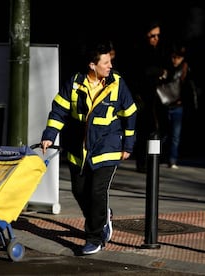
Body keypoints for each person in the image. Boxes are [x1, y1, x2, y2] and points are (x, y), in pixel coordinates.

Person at [40, 41, 137, 255]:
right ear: (92, 65)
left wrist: (128, 144)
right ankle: (103, 215)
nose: (110, 66)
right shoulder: (74, 83)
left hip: (108, 146)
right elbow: (59, 111)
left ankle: (95, 237)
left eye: (110, 61)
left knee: (96, 191)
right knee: (79, 191)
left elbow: (129, 114)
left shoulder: (117, 84)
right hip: (79, 149)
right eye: (105, 62)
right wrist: (49, 135)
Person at [130, 21, 169, 173]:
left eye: (158, 35)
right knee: (145, 130)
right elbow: (143, 72)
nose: (156, 38)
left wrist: (161, 73)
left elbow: (167, 70)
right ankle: (143, 161)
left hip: (158, 98)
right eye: (152, 36)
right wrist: (159, 72)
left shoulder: (160, 50)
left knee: (160, 129)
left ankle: (154, 158)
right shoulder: (140, 51)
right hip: (144, 98)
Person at [159, 43, 190, 169]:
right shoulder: (167, 68)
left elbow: (188, 88)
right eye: (173, 57)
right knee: (163, 134)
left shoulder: (185, 69)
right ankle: (159, 156)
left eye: (178, 58)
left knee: (175, 135)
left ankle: (172, 159)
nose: (175, 60)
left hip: (178, 105)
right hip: (166, 103)